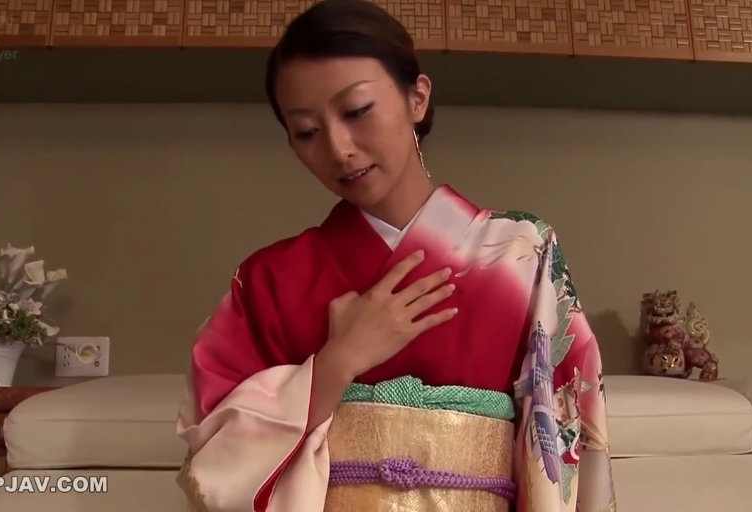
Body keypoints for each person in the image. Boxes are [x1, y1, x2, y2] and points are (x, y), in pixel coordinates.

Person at [175, 0, 616, 510]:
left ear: (417, 98)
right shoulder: (268, 280)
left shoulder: (522, 253)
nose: (339, 148)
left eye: (357, 111)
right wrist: (338, 362)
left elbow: (569, 437)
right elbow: (212, 460)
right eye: (307, 132)